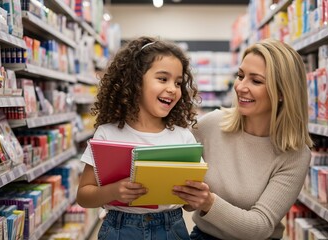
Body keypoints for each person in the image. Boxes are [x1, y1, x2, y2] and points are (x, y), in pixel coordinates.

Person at [173, 38, 314, 240]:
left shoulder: (295, 155)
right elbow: (183, 195)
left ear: (283, 92)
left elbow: (261, 226)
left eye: (255, 81)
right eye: (240, 76)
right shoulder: (211, 125)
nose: (240, 87)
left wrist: (208, 202)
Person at [76, 36, 200, 240]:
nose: (172, 88)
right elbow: (83, 196)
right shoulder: (108, 134)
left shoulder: (183, 137)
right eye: (163, 79)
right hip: (120, 228)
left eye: (178, 83)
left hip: (172, 229)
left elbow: (188, 205)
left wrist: (194, 197)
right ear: (135, 81)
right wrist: (113, 192)